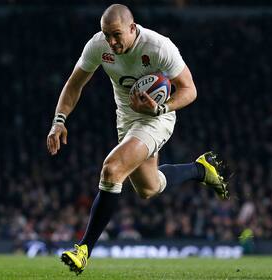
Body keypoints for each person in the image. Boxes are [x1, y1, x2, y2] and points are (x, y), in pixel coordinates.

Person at [46, 4, 229, 275]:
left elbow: (189, 90)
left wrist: (160, 108)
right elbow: (75, 84)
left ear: (132, 28)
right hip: (127, 120)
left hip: (158, 117)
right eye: (107, 34)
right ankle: (201, 170)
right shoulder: (98, 46)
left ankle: (83, 249)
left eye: (117, 34)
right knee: (148, 188)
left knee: (112, 168)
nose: (111, 41)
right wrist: (58, 121)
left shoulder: (158, 47)